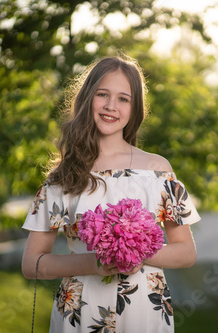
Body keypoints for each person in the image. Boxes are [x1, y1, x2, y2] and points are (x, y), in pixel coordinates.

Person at [21, 55, 200, 332]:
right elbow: (32, 263)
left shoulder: (157, 171)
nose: (110, 106)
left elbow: (186, 253)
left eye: (123, 99)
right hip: (79, 313)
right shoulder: (63, 178)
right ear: (87, 98)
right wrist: (94, 262)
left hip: (143, 310)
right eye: (102, 94)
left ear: (135, 108)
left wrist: (135, 253)